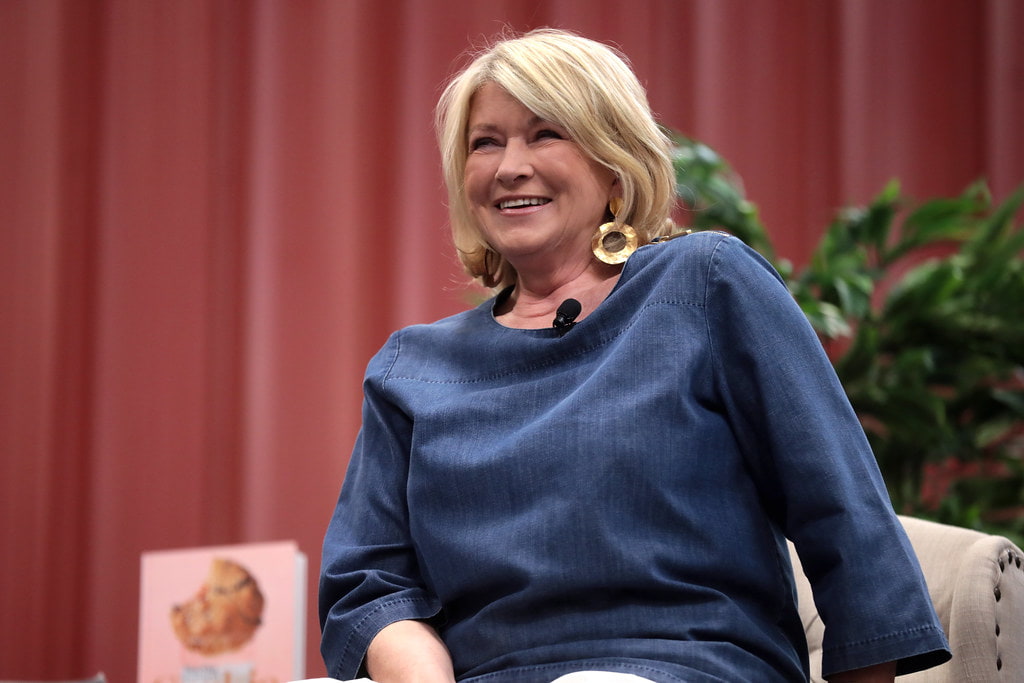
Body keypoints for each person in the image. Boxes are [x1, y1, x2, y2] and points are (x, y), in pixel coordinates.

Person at [318, 28, 951, 683]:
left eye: (545, 133)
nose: (509, 166)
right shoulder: (413, 366)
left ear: (612, 162)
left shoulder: (703, 284)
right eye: (486, 142)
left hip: (683, 665)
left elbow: (842, 511)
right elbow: (370, 581)